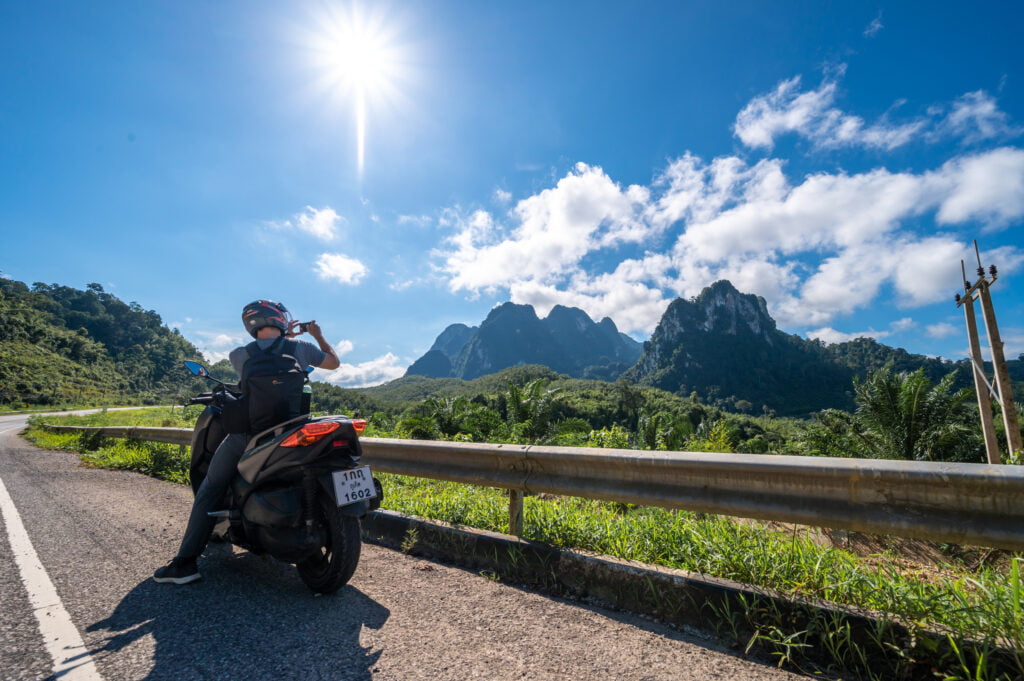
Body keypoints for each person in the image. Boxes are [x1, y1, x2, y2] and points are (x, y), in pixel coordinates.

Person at [153, 300, 340, 584]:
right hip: (294, 430)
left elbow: (254, 381)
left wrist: (284, 338)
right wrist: (316, 334)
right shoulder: (302, 349)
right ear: (280, 319)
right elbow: (334, 363)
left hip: (250, 435)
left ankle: (185, 564)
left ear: (249, 324)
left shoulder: (239, 354)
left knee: (210, 488)